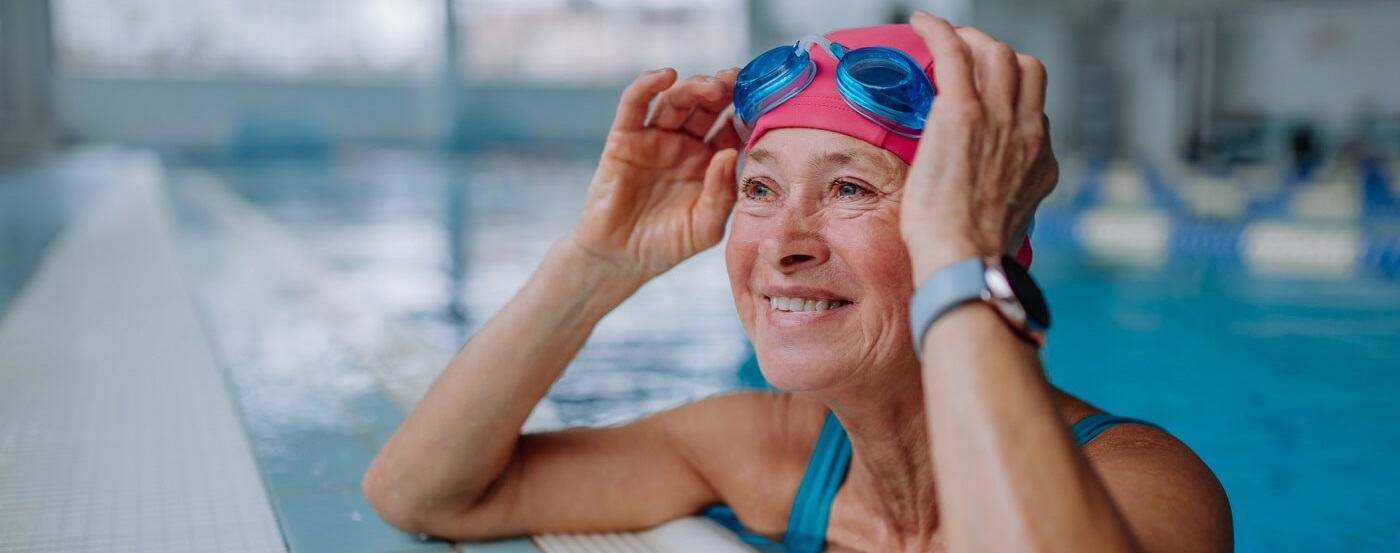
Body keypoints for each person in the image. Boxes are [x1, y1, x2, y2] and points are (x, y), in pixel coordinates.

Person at [363, 13, 1232, 553]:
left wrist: (963, 261)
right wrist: (599, 263)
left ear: (980, 228)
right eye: (760, 189)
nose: (782, 242)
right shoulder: (769, 451)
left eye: (852, 188)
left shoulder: (1142, 484)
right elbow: (424, 494)